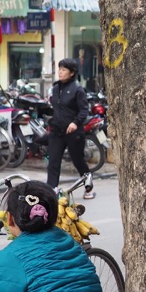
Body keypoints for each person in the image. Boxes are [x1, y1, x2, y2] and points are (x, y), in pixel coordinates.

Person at [46, 58, 95, 199]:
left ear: (72, 73)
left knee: (78, 161)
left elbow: (84, 110)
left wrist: (75, 123)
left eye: (63, 70)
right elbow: (55, 108)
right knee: (53, 162)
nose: (60, 72)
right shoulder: (55, 88)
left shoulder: (78, 90)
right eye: (59, 69)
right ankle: (51, 192)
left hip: (73, 132)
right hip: (57, 131)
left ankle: (88, 186)